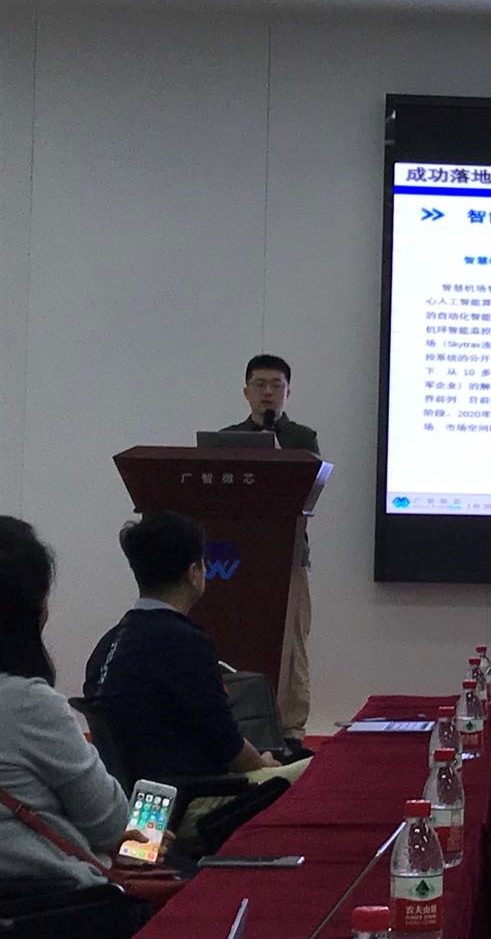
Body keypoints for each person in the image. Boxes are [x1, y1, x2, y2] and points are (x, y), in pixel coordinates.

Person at [83, 512, 307, 839]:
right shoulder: (184, 643)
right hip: (192, 804)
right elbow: (232, 752)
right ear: (194, 573)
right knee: (322, 770)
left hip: (138, 812)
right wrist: (266, 765)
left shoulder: (107, 645)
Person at [0, 516, 165, 890]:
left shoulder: (113, 643)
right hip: (53, 907)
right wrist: (139, 839)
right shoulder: (28, 704)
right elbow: (112, 827)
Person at [220, 353, 319, 751]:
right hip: (239, 558)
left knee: (293, 645)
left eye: (276, 385)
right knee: (236, 637)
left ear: (288, 392)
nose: (268, 393)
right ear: (245, 391)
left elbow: (310, 492)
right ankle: (235, 724)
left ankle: (292, 731)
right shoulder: (227, 438)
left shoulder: (302, 438)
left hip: (289, 556)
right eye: (260, 385)